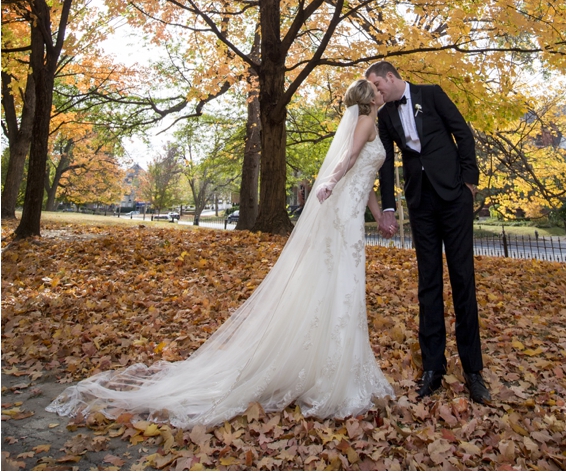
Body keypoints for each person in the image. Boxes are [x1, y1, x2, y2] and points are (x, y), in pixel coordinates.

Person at [47, 79, 392, 428]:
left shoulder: (371, 125)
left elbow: (363, 180)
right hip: (342, 218)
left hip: (349, 217)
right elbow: (347, 161)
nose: (381, 92)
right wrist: (330, 181)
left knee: (343, 289)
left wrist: (379, 216)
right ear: (368, 99)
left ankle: (334, 367)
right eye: (377, 88)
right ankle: (332, 376)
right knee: (341, 287)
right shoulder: (365, 121)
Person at [365, 60, 491, 405]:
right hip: (421, 203)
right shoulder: (387, 115)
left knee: (463, 279)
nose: (377, 93)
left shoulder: (432, 95)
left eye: (378, 86)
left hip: (454, 198)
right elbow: (387, 163)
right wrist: (388, 206)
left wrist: (469, 181)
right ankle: (433, 369)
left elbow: (462, 133)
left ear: (391, 77)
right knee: (428, 283)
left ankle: (473, 371)